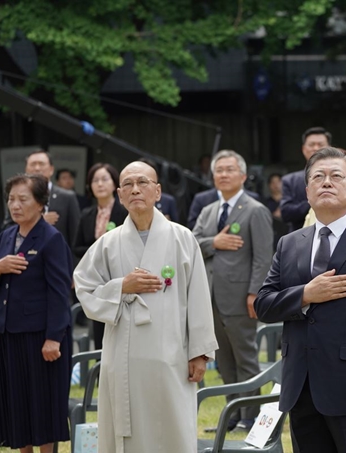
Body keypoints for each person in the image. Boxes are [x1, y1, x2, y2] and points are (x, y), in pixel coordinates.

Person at [255, 147, 346, 453]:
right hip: (301, 387)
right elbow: (263, 305)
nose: (326, 182)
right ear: (307, 191)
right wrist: (306, 294)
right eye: (318, 177)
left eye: (336, 176)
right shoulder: (289, 244)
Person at [74, 161, 217, 453]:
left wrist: (200, 353)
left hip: (171, 354)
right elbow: (83, 287)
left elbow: (199, 296)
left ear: (158, 191)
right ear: (120, 195)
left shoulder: (182, 238)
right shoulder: (108, 243)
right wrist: (121, 287)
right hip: (123, 354)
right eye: (127, 184)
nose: (135, 189)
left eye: (143, 182)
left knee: (171, 426)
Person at [0, 174, 74, 452]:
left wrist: (54, 338)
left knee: (43, 406)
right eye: (11, 199)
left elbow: (60, 293)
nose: (15, 205)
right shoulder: (5, 237)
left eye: (23, 199)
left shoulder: (51, 239)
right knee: (18, 407)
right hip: (9, 333)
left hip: (41, 338)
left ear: (40, 204)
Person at [193, 150, 273, 432]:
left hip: (241, 298)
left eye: (229, 170)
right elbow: (192, 244)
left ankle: (251, 416)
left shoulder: (255, 210)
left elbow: (264, 257)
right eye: (219, 170)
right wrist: (215, 241)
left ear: (242, 175)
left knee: (245, 359)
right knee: (224, 362)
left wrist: (255, 293)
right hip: (210, 296)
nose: (223, 175)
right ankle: (233, 415)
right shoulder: (208, 210)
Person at [73, 163, 128, 350]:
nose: (100, 184)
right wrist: (99, 247)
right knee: (99, 336)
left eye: (105, 179)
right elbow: (76, 247)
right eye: (95, 180)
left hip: (122, 277)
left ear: (115, 184)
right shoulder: (86, 214)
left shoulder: (125, 211)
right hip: (97, 282)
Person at [4, 150, 81, 247]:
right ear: (26, 169)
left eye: (41, 164)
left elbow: (75, 236)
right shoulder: (16, 195)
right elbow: (6, 228)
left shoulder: (67, 197)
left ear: (51, 169)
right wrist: (37, 222)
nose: (37, 168)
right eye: (33, 164)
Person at [280, 127, 332, 232]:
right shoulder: (290, 180)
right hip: (299, 238)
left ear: (329, 148)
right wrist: (315, 201)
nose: (316, 148)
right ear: (304, 149)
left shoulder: (340, 177)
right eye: (312, 145)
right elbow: (286, 213)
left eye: (320, 145)